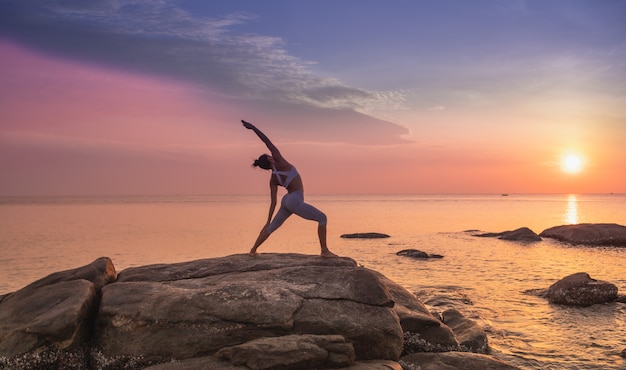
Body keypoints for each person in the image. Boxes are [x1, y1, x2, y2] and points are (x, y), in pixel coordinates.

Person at [242, 119, 338, 258]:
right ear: (269, 159)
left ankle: (253, 250)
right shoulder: (280, 160)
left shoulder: (273, 179)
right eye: (269, 155)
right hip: (295, 199)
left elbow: (273, 202)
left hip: (287, 200)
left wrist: (267, 220)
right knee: (322, 218)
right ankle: (324, 251)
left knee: (271, 227)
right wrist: (253, 128)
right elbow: (266, 141)